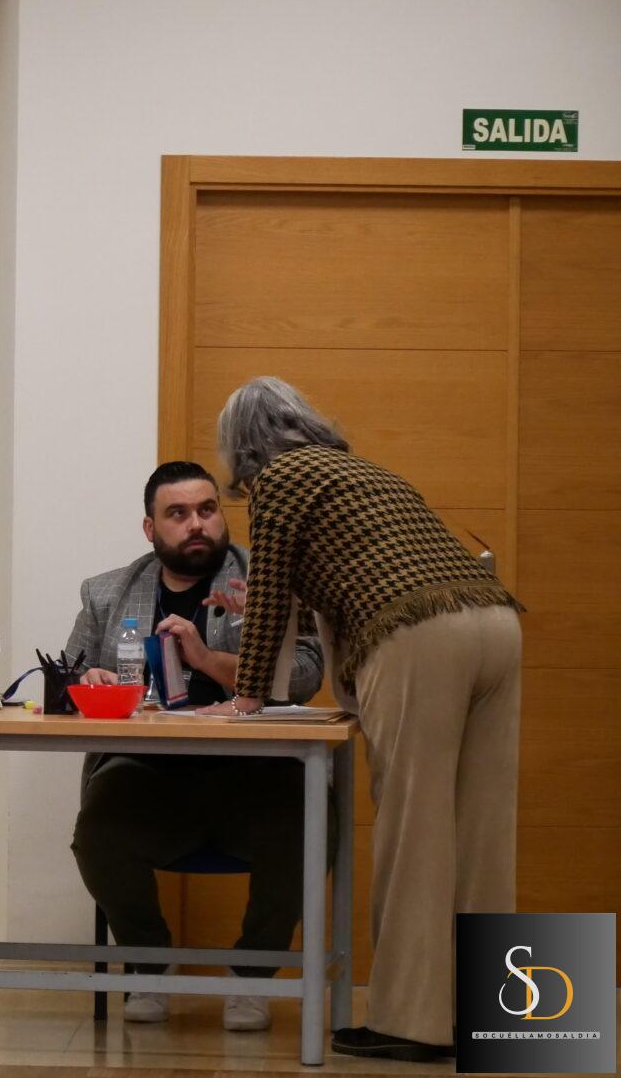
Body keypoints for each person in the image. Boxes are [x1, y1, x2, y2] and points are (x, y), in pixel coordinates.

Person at [202, 376, 522, 1063]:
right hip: (495, 622)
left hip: (421, 638)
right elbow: (336, 584)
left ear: (241, 445)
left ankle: (413, 1023)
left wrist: (247, 696)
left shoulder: (280, 479)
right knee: (485, 829)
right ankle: (498, 1018)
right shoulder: (365, 471)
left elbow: (272, 591)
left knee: (416, 826)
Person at [65, 460, 327, 1032]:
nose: (196, 525)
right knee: (98, 833)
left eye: (207, 510)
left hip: (254, 772)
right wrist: (91, 681)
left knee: (307, 826)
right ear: (150, 528)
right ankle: (149, 965)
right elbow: (69, 676)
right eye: (178, 514)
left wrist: (207, 660)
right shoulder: (107, 593)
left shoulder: (266, 582)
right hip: (149, 772)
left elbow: (306, 675)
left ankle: (252, 976)